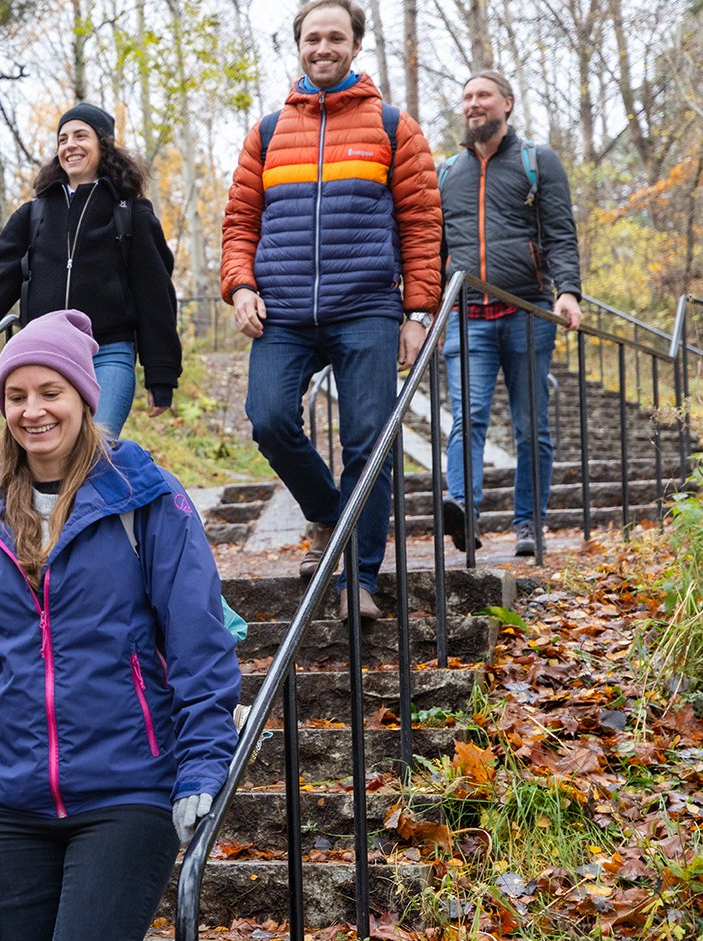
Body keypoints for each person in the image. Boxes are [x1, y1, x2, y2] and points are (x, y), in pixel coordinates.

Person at [0, 310, 240, 941]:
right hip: (6, 800)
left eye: (50, 392)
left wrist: (203, 764)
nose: (33, 411)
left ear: (85, 397)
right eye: (17, 395)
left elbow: (201, 649)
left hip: (128, 787)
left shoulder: (147, 501)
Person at [220, 0, 442, 620]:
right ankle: (328, 515)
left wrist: (418, 314)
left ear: (354, 45)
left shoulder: (393, 126)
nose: (323, 47)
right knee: (267, 418)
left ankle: (359, 581)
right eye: (312, 37)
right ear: (298, 46)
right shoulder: (266, 133)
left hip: (366, 307)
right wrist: (240, 286)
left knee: (368, 442)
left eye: (335, 37)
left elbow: (423, 223)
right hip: (283, 310)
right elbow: (239, 223)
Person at [0, 103, 182, 438]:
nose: (70, 145)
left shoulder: (131, 214)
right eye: (63, 138)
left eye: (81, 136)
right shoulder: (33, 215)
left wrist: (161, 372)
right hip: (45, 357)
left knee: (96, 450)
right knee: (53, 455)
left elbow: (155, 294)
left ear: (103, 144)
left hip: (108, 353)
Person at [436, 68, 582, 558]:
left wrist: (569, 291)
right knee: (467, 418)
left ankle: (528, 526)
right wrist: (424, 314)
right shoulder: (447, 173)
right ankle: (463, 509)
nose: (474, 104)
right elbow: (434, 251)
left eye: (484, 95)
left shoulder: (536, 161)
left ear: (507, 104)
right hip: (465, 316)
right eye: (467, 97)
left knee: (530, 426)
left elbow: (560, 232)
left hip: (527, 312)